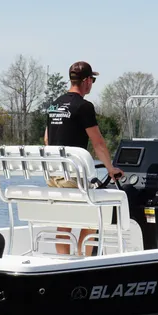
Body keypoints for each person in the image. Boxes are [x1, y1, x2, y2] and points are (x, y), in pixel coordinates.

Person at [43, 61, 123, 256]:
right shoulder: (84, 107)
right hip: (72, 176)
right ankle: (84, 260)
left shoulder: (54, 104)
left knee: (64, 224)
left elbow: (46, 139)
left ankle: (64, 260)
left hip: (53, 175)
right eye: (92, 80)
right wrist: (111, 169)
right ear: (87, 81)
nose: (92, 84)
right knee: (93, 219)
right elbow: (98, 143)